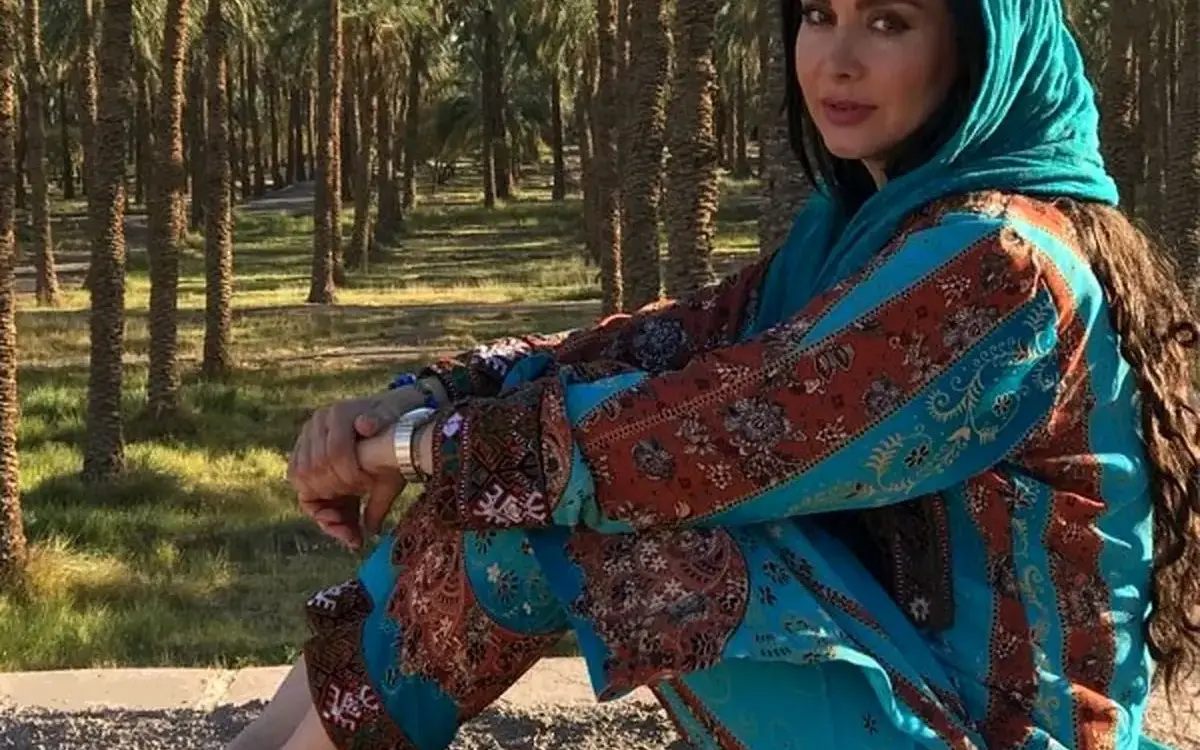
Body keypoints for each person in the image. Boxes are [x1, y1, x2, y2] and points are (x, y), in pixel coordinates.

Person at [228, 0, 1200, 747]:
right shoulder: (865, 238)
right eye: (817, 14)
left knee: (560, 497)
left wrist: (414, 448)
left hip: (993, 732)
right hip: (912, 697)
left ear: (983, 49)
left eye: (888, 22)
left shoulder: (999, 266)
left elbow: (701, 436)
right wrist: (418, 401)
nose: (836, 58)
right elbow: (655, 345)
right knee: (519, 472)